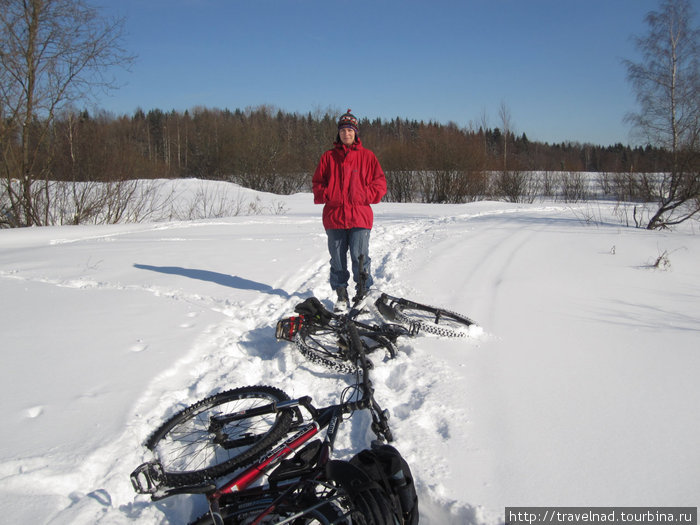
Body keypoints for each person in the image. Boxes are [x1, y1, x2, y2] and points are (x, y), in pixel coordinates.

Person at [312, 109, 387, 311]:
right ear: (339, 133)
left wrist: (364, 196)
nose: (347, 134)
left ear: (356, 133)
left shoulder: (367, 157)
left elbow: (380, 184)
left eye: (350, 130)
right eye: (343, 130)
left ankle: (363, 292)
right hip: (334, 217)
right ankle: (341, 295)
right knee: (337, 258)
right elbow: (317, 184)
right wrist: (328, 194)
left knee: (359, 255)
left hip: (359, 217)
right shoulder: (328, 157)